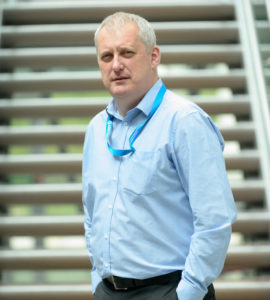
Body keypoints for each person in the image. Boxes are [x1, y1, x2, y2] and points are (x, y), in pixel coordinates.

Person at [82, 12, 237, 300]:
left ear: (154, 56)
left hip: (169, 290)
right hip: (108, 292)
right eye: (106, 56)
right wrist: (97, 281)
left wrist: (188, 292)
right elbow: (92, 214)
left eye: (127, 53)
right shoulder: (95, 130)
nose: (116, 65)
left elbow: (215, 220)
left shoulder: (185, 122)